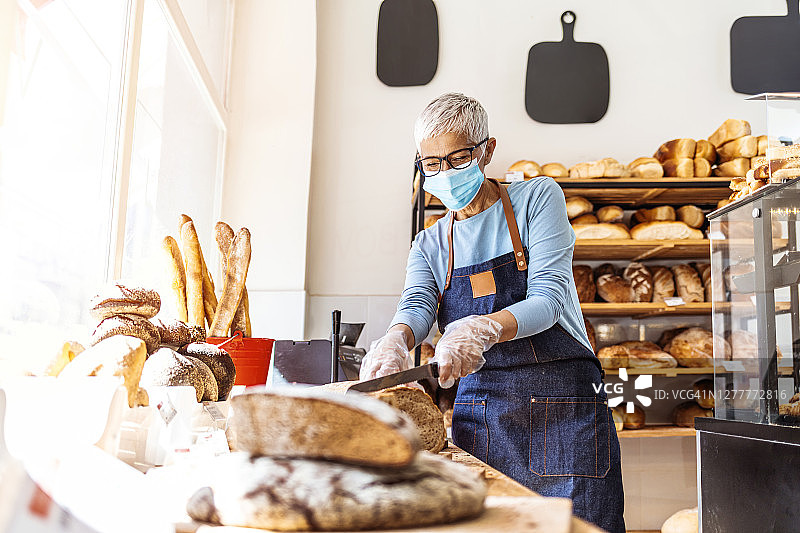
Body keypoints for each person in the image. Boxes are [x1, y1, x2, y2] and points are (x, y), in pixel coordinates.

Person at [359, 93, 625, 532]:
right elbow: (417, 305)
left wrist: (484, 328)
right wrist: (396, 340)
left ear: (487, 150)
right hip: (483, 416)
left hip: (564, 412)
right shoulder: (430, 243)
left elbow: (549, 299)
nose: (444, 173)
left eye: (458, 157)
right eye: (431, 164)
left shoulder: (536, 199)